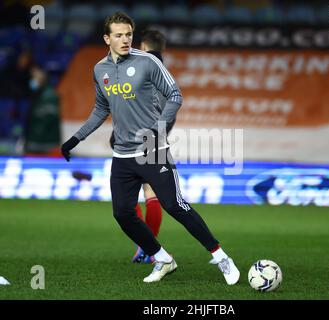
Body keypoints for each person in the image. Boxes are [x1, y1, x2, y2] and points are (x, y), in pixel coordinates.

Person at [61, 12, 240, 285]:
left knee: (175, 206)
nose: (125, 40)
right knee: (122, 213)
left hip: (152, 147)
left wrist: (158, 128)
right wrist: (76, 139)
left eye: (129, 34)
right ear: (107, 38)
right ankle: (162, 258)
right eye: (118, 35)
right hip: (122, 154)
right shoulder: (100, 70)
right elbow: (101, 108)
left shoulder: (147, 62)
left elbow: (175, 95)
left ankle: (221, 256)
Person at [109, 29, 167, 264]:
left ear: (143, 45)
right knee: (149, 192)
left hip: (132, 133)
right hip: (154, 134)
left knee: (130, 195)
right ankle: (148, 248)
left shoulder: (142, 64)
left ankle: (147, 247)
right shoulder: (162, 68)